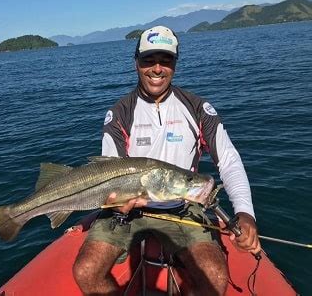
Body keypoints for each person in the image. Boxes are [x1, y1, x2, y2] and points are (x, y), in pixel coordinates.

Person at [73, 25, 261, 295]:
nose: (157, 68)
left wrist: (245, 212)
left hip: (183, 207)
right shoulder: (120, 113)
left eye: (166, 60)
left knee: (214, 275)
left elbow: (229, 161)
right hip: (129, 212)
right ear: (136, 62)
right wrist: (117, 205)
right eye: (148, 59)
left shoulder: (197, 108)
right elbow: (108, 171)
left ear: (176, 63)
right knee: (85, 271)